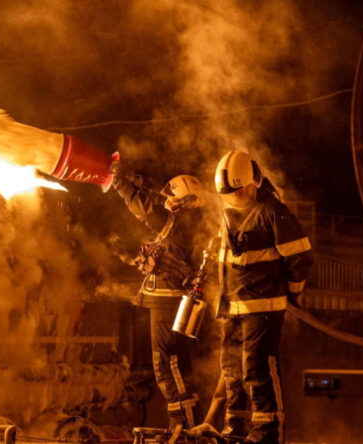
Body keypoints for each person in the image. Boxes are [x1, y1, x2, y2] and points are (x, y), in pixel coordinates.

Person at [213, 150, 313, 444]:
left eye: (238, 191)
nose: (234, 198)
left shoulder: (273, 212)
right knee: (231, 369)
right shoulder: (228, 214)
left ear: (251, 183)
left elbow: (300, 258)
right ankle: (235, 424)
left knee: (257, 368)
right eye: (229, 194)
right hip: (232, 306)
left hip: (263, 308)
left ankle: (267, 431)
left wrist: (294, 293)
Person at [111, 166, 208, 429]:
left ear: (183, 202)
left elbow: (145, 211)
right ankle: (186, 427)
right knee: (176, 368)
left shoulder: (179, 225)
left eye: (172, 197)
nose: (167, 201)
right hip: (172, 302)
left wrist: (121, 184)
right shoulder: (190, 223)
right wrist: (142, 182)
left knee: (168, 365)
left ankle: (185, 430)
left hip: (168, 303)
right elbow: (157, 201)